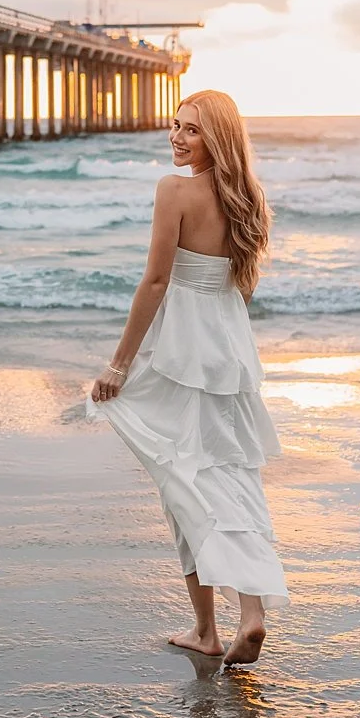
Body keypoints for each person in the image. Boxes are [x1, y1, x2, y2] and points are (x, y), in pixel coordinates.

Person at [88, 89, 287, 666]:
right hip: (229, 349)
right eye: (175, 125)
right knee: (233, 479)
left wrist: (119, 364)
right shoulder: (247, 197)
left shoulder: (174, 190)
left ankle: (209, 630)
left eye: (192, 130)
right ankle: (244, 616)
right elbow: (240, 285)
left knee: (182, 478)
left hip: (181, 349)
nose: (176, 137)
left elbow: (155, 281)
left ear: (216, 138)